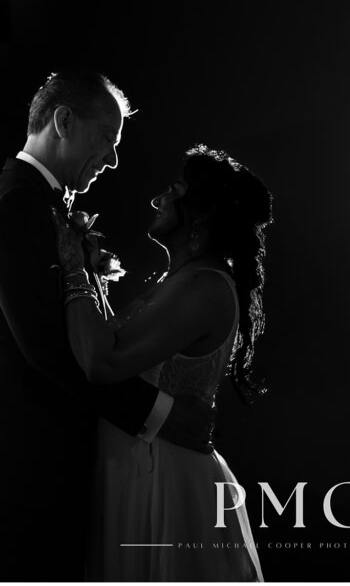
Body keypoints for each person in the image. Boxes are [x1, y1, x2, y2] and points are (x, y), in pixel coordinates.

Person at [0, 71, 216, 582]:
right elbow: (49, 351)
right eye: (107, 139)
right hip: (26, 463)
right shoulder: (15, 206)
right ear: (63, 121)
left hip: (49, 460)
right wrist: (160, 414)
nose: (113, 158)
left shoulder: (41, 204)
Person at [54, 144, 273, 581]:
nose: (158, 199)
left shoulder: (203, 288)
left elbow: (101, 364)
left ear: (203, 212)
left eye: (174, 191)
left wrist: (74, 268)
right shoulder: (179, 280)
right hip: (138, 464)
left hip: (165, 479)